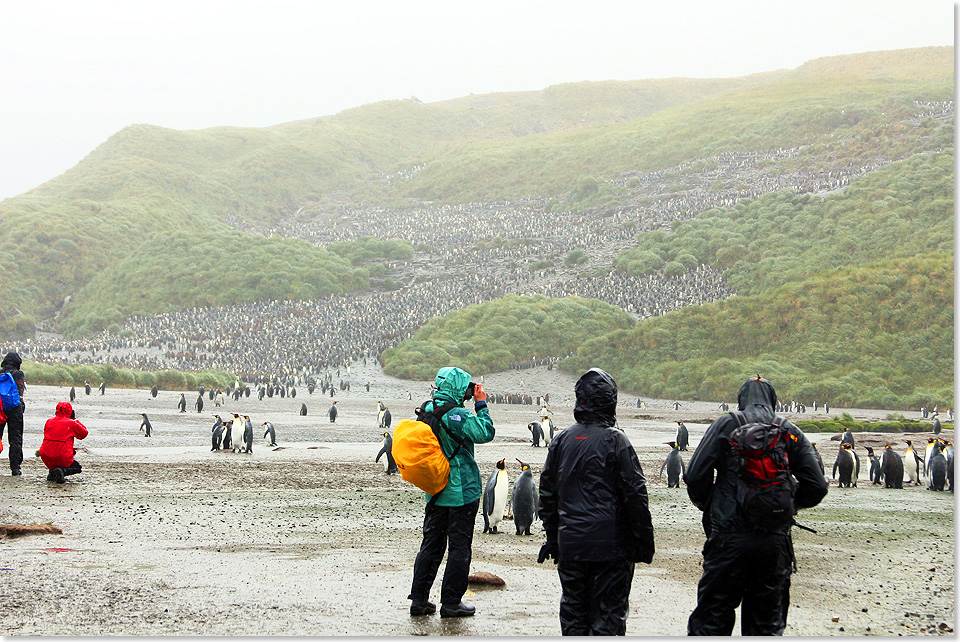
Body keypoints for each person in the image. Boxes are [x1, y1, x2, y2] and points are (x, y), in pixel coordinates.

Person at [685, 377, 828, 636]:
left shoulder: (726, 424)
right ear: (772, 401)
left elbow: (695, 475)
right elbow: (817, 485)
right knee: (765, 627)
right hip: (773, 543)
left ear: (741, 400)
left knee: (711, 621)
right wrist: (786, 507)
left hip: (728, 538)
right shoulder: (789, 429)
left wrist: (712, 507)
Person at [537, 368, 654, 636]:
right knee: (608, 617)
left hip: (572, 544)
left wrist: (553, 538)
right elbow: (635, 495)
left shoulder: (562, 440)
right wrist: (644, 543)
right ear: (609, 400)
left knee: (574, 614)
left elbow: (547, 494)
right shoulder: (616, 440)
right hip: (611, 547)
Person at [408, 366, 495, 618]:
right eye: (465, 386)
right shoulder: (455, 414)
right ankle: (451, 603)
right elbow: (485, 432)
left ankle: (419, 600)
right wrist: (481, 404)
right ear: (457, 388)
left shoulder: (427, 409)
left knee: (431, 546)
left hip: (435, 490)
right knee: (459, 547)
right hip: (461, 491)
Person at [39, 401, 88, 483]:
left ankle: (52, 473)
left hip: (46, 456)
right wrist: (75, 420)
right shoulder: (71, 423)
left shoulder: (49, 421)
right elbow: (83, 434)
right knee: (77, 468)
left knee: (53, 454)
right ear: (70, 411)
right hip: (62, 456)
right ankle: (62, 471)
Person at [0, 351, 26, 476]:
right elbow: (20, 392)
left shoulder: (0, 373)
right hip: (15, 409)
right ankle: (15, 468)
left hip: (0, 408)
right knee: (15, 439)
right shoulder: (18, 374)